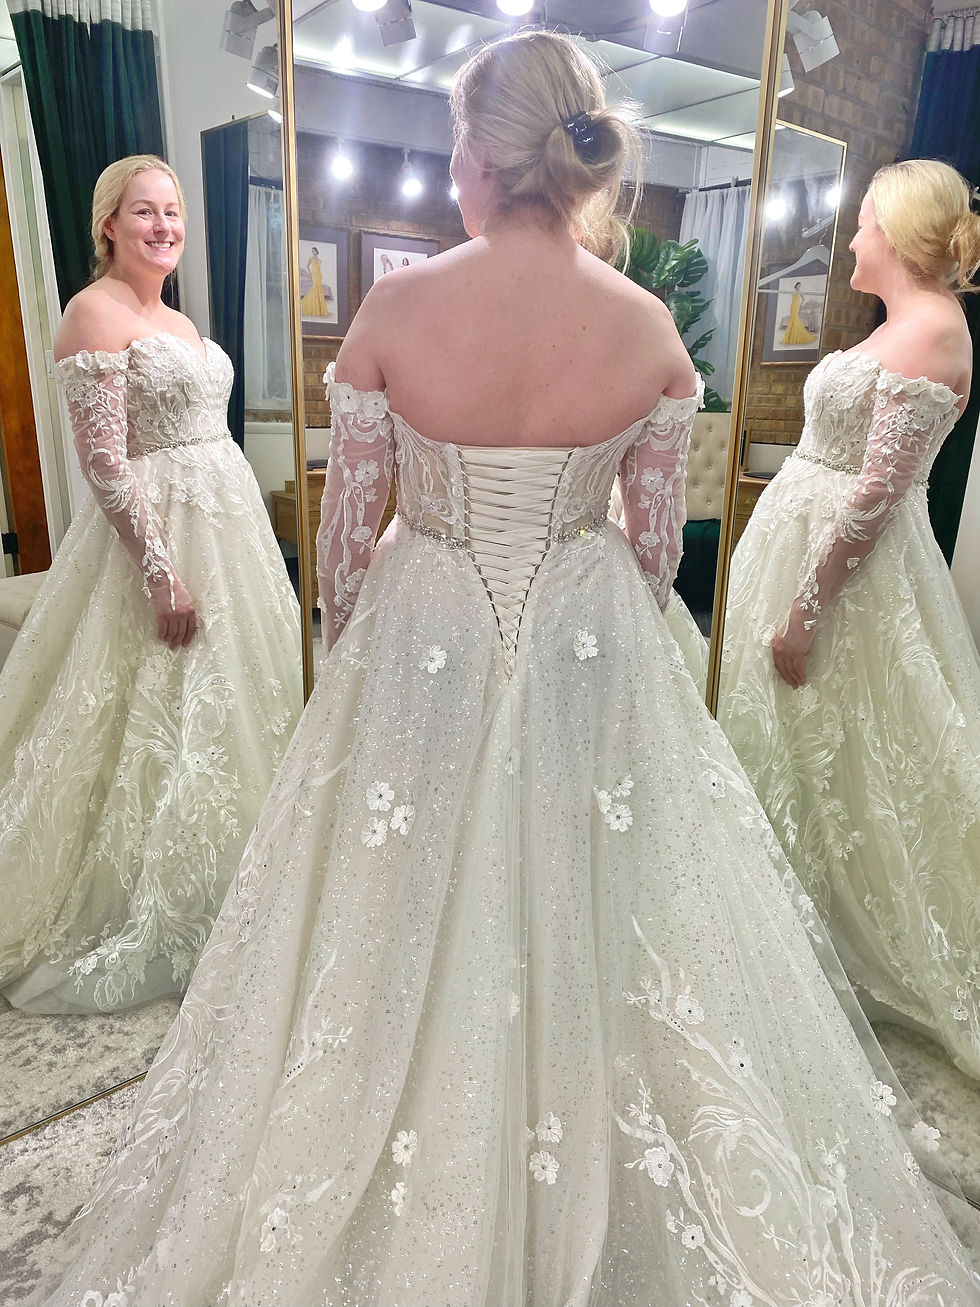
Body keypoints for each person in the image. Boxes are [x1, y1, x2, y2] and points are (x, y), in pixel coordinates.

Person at [28, 48, 979, 1307]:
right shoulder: (644, 326)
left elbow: (349, 547)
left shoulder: (399, 309)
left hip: (424, 622)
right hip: (591, 631)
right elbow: (650, 550)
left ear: (476, 153)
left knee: (390, 894)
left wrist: (360, 666)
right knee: (606, 892)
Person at [0, 155, 303, 1015]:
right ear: (108, 225)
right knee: (145, 711)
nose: (165, 225)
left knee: (238, 697)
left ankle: (253, 868)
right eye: (145, 212)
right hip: (153, 541)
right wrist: (162, 571)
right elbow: (102, 462)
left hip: (228, 528)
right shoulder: (89, 314)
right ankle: (141, 889)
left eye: (172, 212)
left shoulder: (177, 316)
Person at [720, 159, 980, 1078]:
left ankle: (822, 930)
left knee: (850, 755)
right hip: (809, 552)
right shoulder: (905, 326)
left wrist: (806, 609)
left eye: (865, 222)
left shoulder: (935, 333)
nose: (853, 239)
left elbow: (877, 492)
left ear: (902, 234)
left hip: (843, 582)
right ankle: (772, 912)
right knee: (799, 750)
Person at [781, 279, 817, 345]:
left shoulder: (800, 292)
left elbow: (803, 299)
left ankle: (795, 334)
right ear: (796, 285)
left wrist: (800, 304)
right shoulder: (793, 291)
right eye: (798, 285)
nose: (799, 287)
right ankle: (791, 335)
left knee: (795, 319)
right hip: (792, 306)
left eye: (800, 286)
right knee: (792, 319)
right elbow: (793, 299)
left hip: (796, 306)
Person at [300, 246, 331, 316]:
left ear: (317, 252)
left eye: (314, 251)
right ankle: (308, 304)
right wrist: (310, 273)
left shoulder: (319, 260)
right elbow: (307, 266)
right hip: (314, 274)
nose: (313, 252)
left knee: (319, 289)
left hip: (319, 275)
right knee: (315, 288)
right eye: (312, 251)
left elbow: (319, 268)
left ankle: (319, 307)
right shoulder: (311, 259)